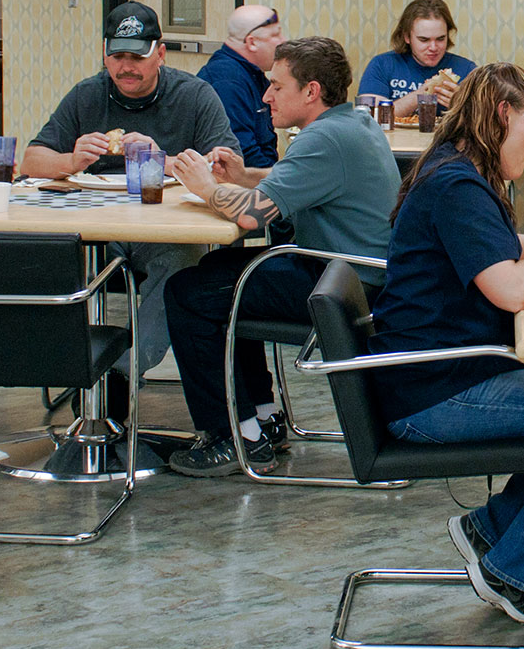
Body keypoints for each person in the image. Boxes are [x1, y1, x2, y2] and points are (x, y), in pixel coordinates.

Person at [365, 63, 524, 622]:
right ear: (503, 115)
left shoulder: (456, 170)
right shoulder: (458, 185)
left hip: (437, 372)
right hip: (436, 391)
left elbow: (499, 245)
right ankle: (518, 575)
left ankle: (494, 531)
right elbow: (510, 290)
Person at [161, 37, 398, 476]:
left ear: (311, 91)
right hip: (354, 275)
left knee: (187, 291)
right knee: (218, 272)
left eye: (276, 86)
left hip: (342, 288)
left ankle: (230, 438)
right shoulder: (351, 124)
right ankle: (262, 417)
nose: (265, 96)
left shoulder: (324, 137)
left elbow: (251, 216)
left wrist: (205, 186)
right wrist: (244, 175)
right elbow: (296, 177)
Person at [22, 1, 238, 374]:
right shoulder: (87, 95)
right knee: (40, 255)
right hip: (93, 229)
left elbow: (227, 170)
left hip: (164, 230)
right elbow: (30, 160)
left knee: (182, 263)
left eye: (137, 57)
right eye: (117, 56)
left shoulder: (195, 95)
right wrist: (69, 161)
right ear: (105, 57)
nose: (126, 67)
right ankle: (61, 365)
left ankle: (118, 374)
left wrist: (161, 160)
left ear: (161, 55)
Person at [358, 0, 477, 122]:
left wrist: (461, 107)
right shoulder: (382, 65)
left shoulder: (467, 69)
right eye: (424, 40)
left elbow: (487, 124)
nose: (433, 47)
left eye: (440, 39)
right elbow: (369, 119)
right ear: (407, 37)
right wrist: (420, 96)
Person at [198, 5, 284, 169]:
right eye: (276, 35)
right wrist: (277, 180)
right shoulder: (228, 81)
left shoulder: (250, 73)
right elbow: (243, 155)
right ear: (252, 42)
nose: (283, 41)